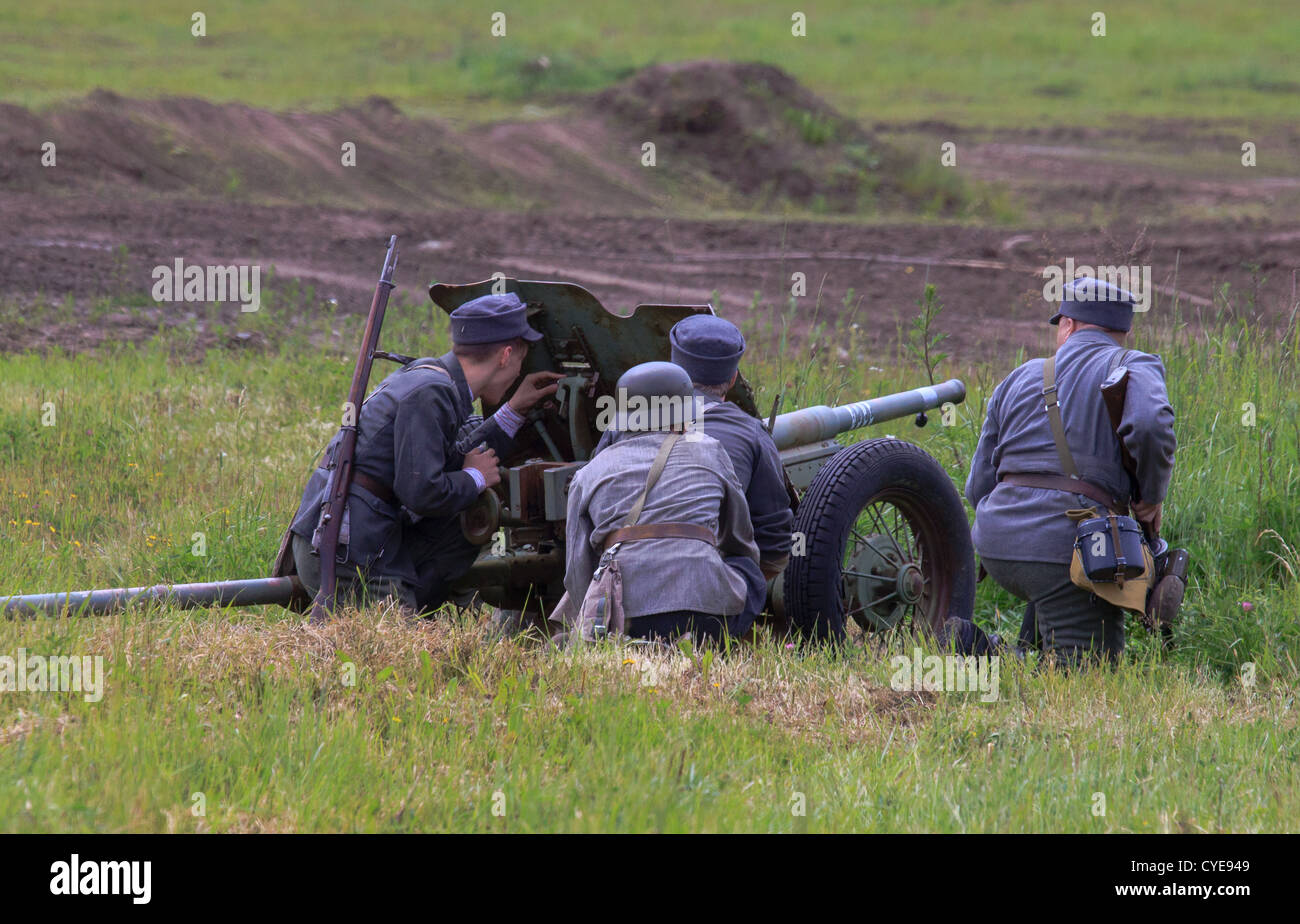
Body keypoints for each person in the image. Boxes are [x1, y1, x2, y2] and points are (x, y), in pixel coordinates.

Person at [289, 292, 562, 613]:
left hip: (356, 539)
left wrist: (514, 410)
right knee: (399, 655)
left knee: (454, 535)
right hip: (350, 550)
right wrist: (474, 478)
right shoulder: (432, 393)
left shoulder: (431, 377)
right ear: (504, 356)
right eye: (521, 358)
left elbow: (455, 451)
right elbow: (422, 491)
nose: (519, 372)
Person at [965, 276, 1176, 665]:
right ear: (1125, 330)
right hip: (1072, 547)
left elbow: (977, 486)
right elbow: (1149, 425)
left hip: (997, 544)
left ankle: (1005, 651)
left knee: (1052, 585)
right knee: (1090, 675)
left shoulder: (1020, 376)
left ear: (1067, 324)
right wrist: (1150, 496)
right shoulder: (1133, 364)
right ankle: (987, 658)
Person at [564, 361, 765, 644]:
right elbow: (741, 541)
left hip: (623, 620)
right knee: (750, 571)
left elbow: (577, 569)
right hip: (705, 616)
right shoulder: (711, 451)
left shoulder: (588, 474)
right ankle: (717, 644)